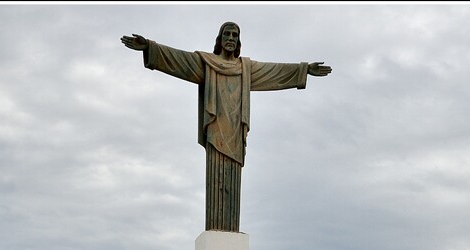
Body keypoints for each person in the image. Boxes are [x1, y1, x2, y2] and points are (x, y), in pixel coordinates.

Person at [121, 22, 332, 233]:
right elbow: (179, 60)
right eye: (227, 34)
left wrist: (303, 69)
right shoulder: (207, 62)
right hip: (215, 131)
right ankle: (216, 229)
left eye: (235, 35)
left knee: (232, 188)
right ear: (220, 39)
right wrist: (150, 47)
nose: (231, 38)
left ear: (238, 40)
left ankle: (230, 231)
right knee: (216, 184)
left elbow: (274, 72)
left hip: (235, 134)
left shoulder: (246, 69)